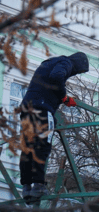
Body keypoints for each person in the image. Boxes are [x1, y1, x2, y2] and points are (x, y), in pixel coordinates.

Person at [19, 52, 89, 202]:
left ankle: (26, 188)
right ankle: (38, 185)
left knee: (28, 147)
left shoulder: (48, 63)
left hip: (27, 109)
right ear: (78, 64)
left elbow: (48, 83)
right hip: (42, 109)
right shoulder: (66, 63)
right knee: (42, 146)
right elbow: (57, 76)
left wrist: (62, 98)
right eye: (80, 71)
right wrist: (64, 97)